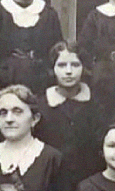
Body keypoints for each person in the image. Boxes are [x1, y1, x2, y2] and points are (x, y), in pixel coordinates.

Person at [36, 40, 105, 180]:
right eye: (61, 65)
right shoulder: (42, 105)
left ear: (83, 67)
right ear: (52, 69)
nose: (68, 71)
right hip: (52, 178)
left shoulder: (96, 104)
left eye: (75, 65)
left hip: (89, 176)